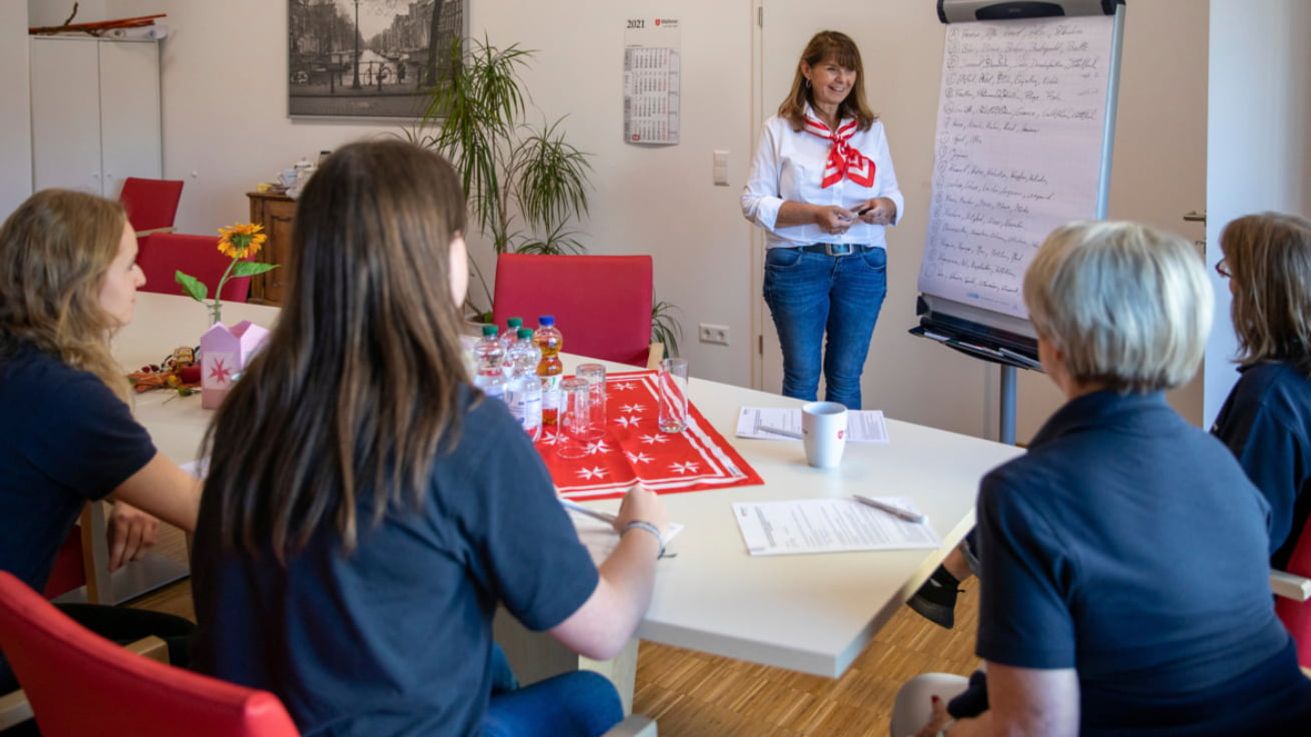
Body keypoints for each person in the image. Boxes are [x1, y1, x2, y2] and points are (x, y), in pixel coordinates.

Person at [190, 140, 668, 737]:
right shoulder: (465, 434)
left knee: (493, 664)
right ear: (442, 258)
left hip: (273, 714)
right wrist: (642, 533)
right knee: (592, 697)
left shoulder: (250, 408)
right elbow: (603, 628)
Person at [893, 221, 1311, 736]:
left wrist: (943, 730)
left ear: (1055, 346)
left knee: (918, 704)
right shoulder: (1219, 463)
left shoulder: (1025, 493)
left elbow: (1031, 728)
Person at [0, 189, 202, 694]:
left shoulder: (21, 361)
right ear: (83, 281)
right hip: (9, 665)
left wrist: (124, 484)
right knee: (195, 651)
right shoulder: (65, 395)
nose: (142, 278)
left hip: (13, 617)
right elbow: (206, 511)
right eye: (129, 265)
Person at [741, 30, 904, 410]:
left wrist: (884, 207)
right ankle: (797, 466)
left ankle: (837, 464)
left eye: (849, 72)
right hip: (798, 262)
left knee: (847, 378)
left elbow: (895, 196)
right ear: (807, 70)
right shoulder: (779, 129)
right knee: (801, 375)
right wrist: (814, 214)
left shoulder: (871, 130)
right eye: (831, 68)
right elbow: (752, 202)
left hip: (863, 263)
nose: (841, 80)